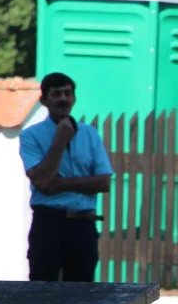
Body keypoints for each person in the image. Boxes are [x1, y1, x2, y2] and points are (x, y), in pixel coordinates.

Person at [19, 72, 113, 282]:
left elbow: (104, 182)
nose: (63, 99)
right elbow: (43, 182)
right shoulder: (31, 135)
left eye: (67, 93)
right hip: (49, 222)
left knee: (81, 294)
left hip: (83, 224)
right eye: (56, 94)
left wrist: (61, 184)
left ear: (74, 98)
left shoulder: (90, 134)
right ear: (44, 100)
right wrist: (60, 139)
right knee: (42, 290)